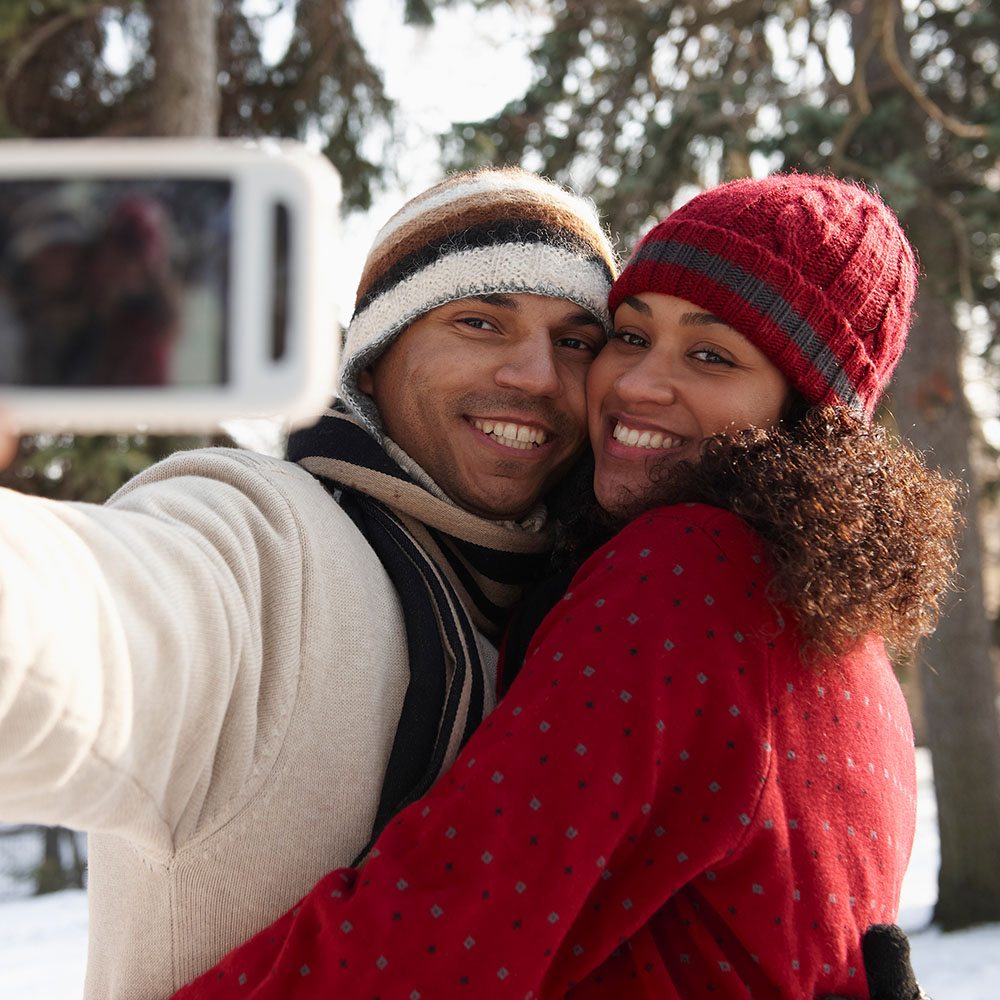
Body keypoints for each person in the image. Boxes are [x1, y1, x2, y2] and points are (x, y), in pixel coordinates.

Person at [174, 173, 957, 999]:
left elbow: (443, 924)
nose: (636, 385)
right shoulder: (845, 639)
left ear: (804, 415)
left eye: (710, 356)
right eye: (630, 335)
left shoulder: (687, 570)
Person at [0, 166, 618, 998]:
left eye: (576, 342)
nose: (538, 376)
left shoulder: (585, 627)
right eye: (479, 321)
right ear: (372, 363)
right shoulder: (268, 543)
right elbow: (85, 619)